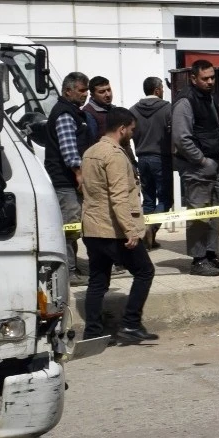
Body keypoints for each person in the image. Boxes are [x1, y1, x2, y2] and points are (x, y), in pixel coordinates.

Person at [78, 106, 157, 346]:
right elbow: (119, 196)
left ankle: (93, 332)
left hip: (92, 228)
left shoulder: (90, 152)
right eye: (131, 129)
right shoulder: (115, 155)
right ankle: (131, 323)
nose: (132, 134)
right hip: (113, 230)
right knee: (145, 271)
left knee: (98, 281)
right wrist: (130, 230)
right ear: (122, 129)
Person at [172, 60, 219, 277]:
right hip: (197, 168)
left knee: (214, 214)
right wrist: (201, 161)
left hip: (211, 167)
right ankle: (198, 260)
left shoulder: (207, 97)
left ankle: (210, 255)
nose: (210, 82)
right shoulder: (186, 101)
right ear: (193, 78)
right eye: (205, 78)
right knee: (199, 215)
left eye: (212, 77)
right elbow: (181, 138)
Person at [42, 71, 94, 286]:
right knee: (70, 228)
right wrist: (79, 174)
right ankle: (69, 272)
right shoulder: (65, 114)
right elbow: (69, 150)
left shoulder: (74, 112)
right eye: (81, 90)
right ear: (68, 91)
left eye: (86, 90)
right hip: (66, 182)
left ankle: (73, 268)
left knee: (74, 227)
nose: (85, 94)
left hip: (69, 181)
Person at [132, 76, 172, 249]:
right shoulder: (167, 109)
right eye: (162, 88)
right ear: (157, 90)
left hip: (142, 158)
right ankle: (151, 228)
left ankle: (148, 239)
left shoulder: (133, 110)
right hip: (161, 159)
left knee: (148, 200)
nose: (163, 91)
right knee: (165, 199)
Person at [83, 75, 114, 140]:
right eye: (102, 92)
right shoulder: (88, 113)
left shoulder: (114, 109)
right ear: (92, 95)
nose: (108, 94)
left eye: (109, 90)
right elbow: (92, 141)